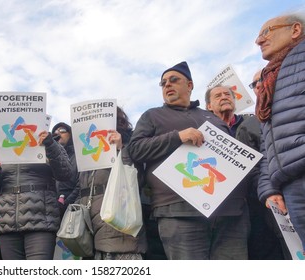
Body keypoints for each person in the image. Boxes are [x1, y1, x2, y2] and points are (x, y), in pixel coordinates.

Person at [128, 61, 250, 260]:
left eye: (174, 80)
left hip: (229, 214)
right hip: (178, 212)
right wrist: (177, 137)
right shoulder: (152, 116)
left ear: (190, 85)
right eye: (163, 83)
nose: (167, 85)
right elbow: (135, 150)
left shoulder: (213, 118)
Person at [206, 82, 286, 259]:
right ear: (209, 106)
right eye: (218, 96)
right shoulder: (204, 132)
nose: (224, 97)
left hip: (261, 199)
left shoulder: (253, 122)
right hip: (228, 208)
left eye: (228, 94)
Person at [255, 12, 305, 254]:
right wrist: (270, 188)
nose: (258, 41)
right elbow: (268, 144)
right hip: (291, 187)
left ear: (295, 30)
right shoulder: (271, 79)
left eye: (266, 32)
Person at [0, 129, 74, 260]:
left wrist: (50, 145)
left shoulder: (46, 142)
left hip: (41, 221)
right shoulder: (2, 146)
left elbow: (66, 173)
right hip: (8, 223)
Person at [77, 106, 147, 260]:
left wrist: (120, 149)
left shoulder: (131, 143)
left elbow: (136, 179)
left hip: (118, 231)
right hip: (90, 231)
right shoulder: (87, 153)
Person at [51, 122, 79, 209]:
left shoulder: (78, 156)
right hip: (53, 208)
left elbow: (81, 184)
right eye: (55, 132)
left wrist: (66, 203)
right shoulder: (49, 159)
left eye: (62, 131)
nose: (58, 133)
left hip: (73, 208)